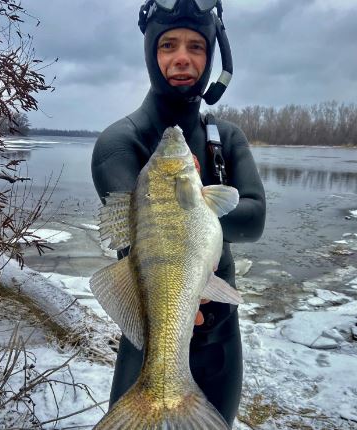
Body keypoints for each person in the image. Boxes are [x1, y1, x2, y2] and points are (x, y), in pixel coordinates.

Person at [90, 0, 265, 425]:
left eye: (196, 46)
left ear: (213, 57)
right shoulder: (120, 142)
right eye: (168, 45)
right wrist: (197, 204)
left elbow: (255, 218)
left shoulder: (226, 136)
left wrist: (190, 205)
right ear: (151, 53)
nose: (182, 57)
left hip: (222, 335)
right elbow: (139, 236)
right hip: (152, 341)